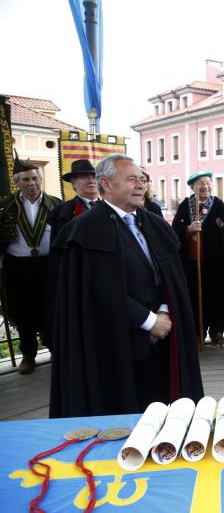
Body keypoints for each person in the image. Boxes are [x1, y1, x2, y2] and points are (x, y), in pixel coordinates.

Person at [49, 154, 203, 417]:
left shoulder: (152, 222)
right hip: (112, 350)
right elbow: (98, 292)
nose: (140, 185)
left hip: (161, 343)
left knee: (163, 414)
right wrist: (149, 321)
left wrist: (164, 312)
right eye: (131, 179)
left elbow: (169, 279)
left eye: (142, 179)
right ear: (106, 184)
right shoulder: (83, 231)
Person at [0, 156, 61, 374]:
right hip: (18, 267)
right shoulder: (6, 206)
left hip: (49, 265)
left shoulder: (56, 204)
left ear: (40, 179)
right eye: (26, 179)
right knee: (22, 311)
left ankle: (56, 350)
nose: (31, 183)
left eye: (35, 178)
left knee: (51, 307)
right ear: (17, 182)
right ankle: (28, 355)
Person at [172, 172, 224, 348]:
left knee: (216, 295)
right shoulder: (186, 206)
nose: (205, 187)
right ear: (192, 187)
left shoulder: (218, 205)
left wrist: (220, 227)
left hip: (215, 263)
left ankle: (217, 331)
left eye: (208, 183)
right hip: (192, 264)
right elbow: (174, 232)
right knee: (194, 297)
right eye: (200, 183)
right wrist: (188, 229)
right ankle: (197, 332)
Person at [48, 159, 99, 241]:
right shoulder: (61, 211)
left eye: (94, 177)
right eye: (84, 177)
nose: (91, 181)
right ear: (73, 183)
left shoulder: (110, 208)